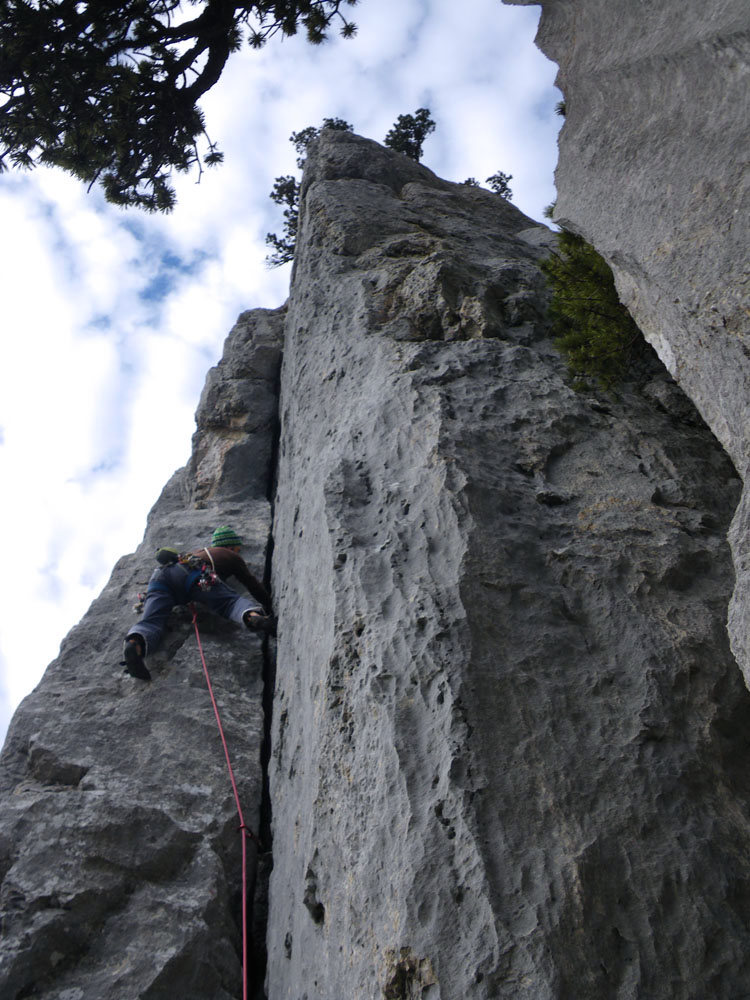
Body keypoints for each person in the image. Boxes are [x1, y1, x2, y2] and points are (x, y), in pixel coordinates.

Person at [123, 528, 274, 681]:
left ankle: (135, 643)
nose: (239, 551)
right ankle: (253, 616)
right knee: (230, 603)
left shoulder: (196, 553)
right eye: (237, 548)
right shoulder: (231, 556)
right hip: (195, 577)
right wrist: (269, 604)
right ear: (230, 546)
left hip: (159, 579)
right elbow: (251, 583)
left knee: (151, 621)